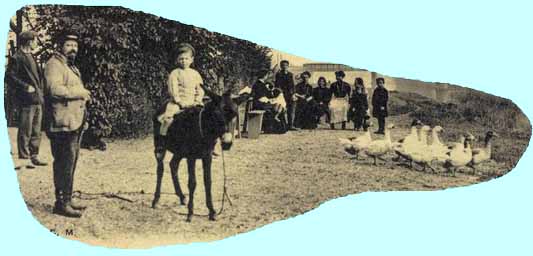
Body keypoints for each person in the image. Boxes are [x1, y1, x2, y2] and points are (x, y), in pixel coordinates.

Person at [44, 32, 91, 218]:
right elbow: (54, 90)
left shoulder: (69, 66)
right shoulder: (54, 65)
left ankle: (68, 199)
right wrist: (80, 93)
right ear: (60, 46)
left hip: (73, 121)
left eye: (75, 46)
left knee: (70, 162)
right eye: (69, 45)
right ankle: (61, 203)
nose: (73, 49)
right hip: (61, 122)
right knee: (64, 161)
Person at [5, 30, 48, 168]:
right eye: (35, 40)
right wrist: (25, 87)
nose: (36, 43)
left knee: (36, 129)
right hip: (26, 99)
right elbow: (9, 77)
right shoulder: (17, 57)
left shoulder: (32, 56)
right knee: (26, 129)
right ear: (29, 42)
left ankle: (34, 155)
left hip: (37, 99)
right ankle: (25, 158)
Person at [157, 43, 204, 136]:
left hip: (194, 102)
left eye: (186, 58)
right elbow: (173, 90)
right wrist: (179, 101)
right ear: (177, 60)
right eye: (181, 59)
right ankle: (162, 140)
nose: (184, 61)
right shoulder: (175, 73)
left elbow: (200, 89)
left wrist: (198, 100)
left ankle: (210, 144)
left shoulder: (195, 74)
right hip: (178, 103)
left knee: (207, 116)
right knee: (168, 118)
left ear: (191, 60)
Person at [274, 60, 297, 130]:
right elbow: (277, 85)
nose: (284, 67)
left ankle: (291, 125)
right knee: (282, 109)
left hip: (290, 94)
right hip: (282, 94)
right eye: (283, 65)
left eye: (286, 65)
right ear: (281, 66)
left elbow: (293, 85)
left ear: (288, 66)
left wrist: (293, 94)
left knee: (291, 109)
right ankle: (282, 125)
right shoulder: (278, 74)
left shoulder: (290, 74)